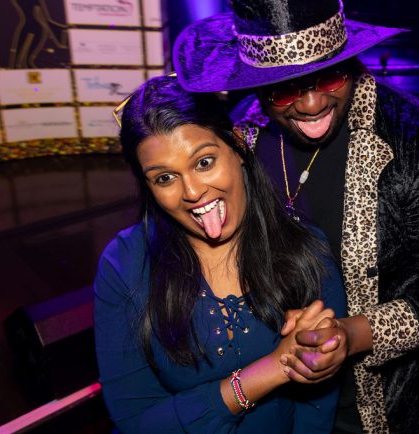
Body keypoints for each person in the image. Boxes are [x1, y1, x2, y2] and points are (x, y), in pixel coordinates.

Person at [173, 0, 419, 433]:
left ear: (350, 61)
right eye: (284, 88)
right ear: (257, 84)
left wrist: (350, 335)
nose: (311, 104)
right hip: (259, 397)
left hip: (365, 409)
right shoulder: (239, 136)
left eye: (329, 76)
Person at [94, 75, 347, 434]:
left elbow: (317, 412)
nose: (192, 191)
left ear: (238, 145)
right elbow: (136, 422)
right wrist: (271, 369)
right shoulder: (126, 264)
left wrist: (316, 354)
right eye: (165, 178)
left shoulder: (305, 250)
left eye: (204, 162)